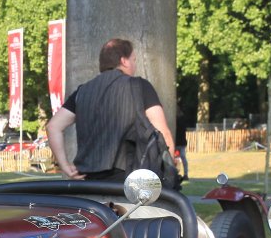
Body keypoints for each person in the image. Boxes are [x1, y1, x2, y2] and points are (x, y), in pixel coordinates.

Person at [46, 38, 179, 184]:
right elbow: (162, 131)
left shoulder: (82, 92)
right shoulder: (139, 86)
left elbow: (53, 126)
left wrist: (65, 166)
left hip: (88, 181)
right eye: (134, 60)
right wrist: (169, 171)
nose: (135, 65)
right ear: (124, 61)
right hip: (128, 180)